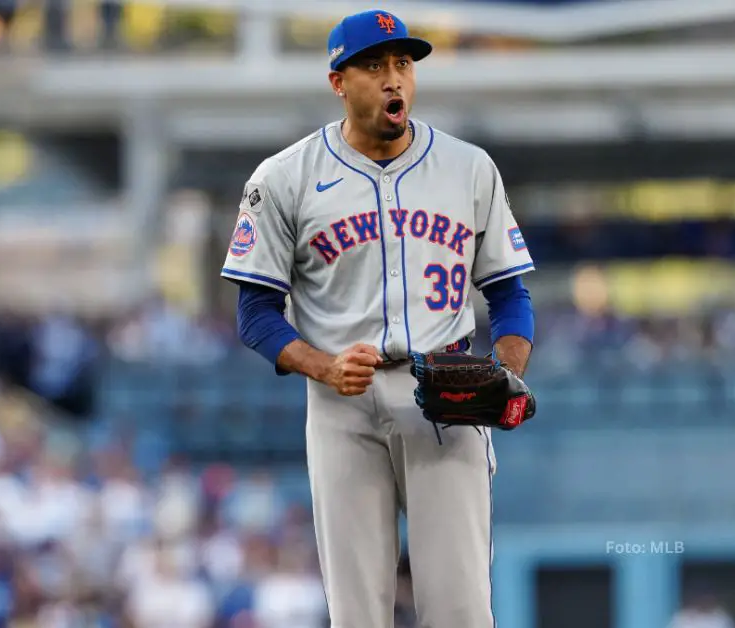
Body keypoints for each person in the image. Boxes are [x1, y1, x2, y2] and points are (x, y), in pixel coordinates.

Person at [220, 9, 537, 628]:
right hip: (342, 402)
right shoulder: (285, 177)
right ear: (339, 81)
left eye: (403, 64)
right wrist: (322, 365)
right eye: (374, 66)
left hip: (446, 396)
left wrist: (506, 372)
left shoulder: (469, 168)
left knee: (462, 609)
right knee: (358, 611)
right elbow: (255, 314)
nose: (394, 79)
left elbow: (510, 293)